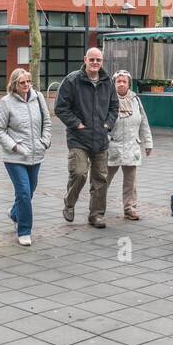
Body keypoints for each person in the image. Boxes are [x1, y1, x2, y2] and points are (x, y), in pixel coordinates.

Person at [54, 47, 119, 228]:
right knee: (79, 173)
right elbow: (60, 107)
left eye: (98, 60)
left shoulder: (107, 82)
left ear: (102, 61)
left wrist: (108, 124)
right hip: (78, 137)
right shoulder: (72, 80)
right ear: (85, 59)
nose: (95, 63)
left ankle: (96, 215)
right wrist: (77, 124)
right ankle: (69, 202)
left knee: (100, 178)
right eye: (92, 60)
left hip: (100, 138)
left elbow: (114, 107)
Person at [0, 68, 52, 246]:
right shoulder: (6, 102)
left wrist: (45, 141)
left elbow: (47, 122)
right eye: (22, 83)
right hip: (15, 157)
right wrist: (15, 147)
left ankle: (15, 213)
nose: (26, 85)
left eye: (28, 82)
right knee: (24, 193)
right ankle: (24, 230)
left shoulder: (38, 98)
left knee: (30, 190)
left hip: (36, 154)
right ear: (14, 85)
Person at [106, 69, 153, 221]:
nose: (121, 84)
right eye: (118, 81)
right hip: (112, 147)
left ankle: (130, 208)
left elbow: (144, 122)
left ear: (129, 84)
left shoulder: (136, 100)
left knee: (130, 182)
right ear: (113, 83)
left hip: (132, 146)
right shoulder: (107, 99)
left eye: (124, 81)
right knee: (103, 179)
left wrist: (148, 143)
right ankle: (97, 207)